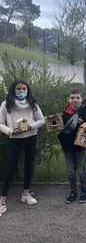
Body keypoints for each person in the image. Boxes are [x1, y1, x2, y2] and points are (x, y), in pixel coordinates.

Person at [0, 80, 45, 216]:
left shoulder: (32, 103)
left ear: (27, 90)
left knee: (29, 166)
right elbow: (0, 123)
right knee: (10, 168)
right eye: (18, 89)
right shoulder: (6, 104)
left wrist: (31, 126)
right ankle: (2, 200)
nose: (21, 91)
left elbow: (42, 120)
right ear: (13, 90)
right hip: (14, 139)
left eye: (23, 89)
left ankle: (25, 193)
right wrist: (11, 131)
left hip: (31, 137)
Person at [58, 89, 86, 204]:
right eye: (72, 98)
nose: (75, 100)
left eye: (77, 98)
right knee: (70, 172)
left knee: (81, 171)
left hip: (80, 147)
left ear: (81, 100)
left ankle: (84, 192)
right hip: (67, 148)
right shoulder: (64, 114)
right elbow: (59, 130)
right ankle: (73, 192)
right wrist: (60, 137)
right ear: (68, 100)